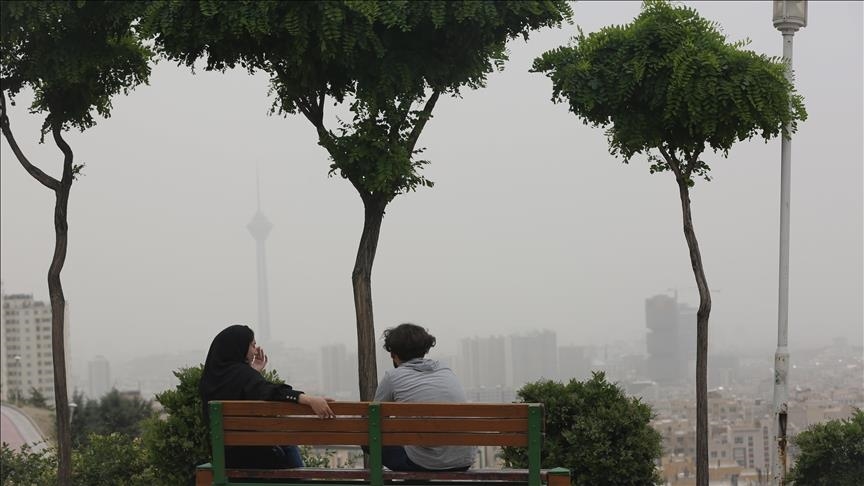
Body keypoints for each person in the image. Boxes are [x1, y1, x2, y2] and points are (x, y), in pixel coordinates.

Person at [199, 324, 334, 468]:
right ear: (239, 347)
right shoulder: (245, 375)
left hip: (225, 459)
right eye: (252, 345)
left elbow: (241, 385)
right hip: (258, 457)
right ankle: (301, 482)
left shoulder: (208, 379)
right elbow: (270, 391)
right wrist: (308, 399)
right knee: (288, 445)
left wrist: (253, 372)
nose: (255, 350)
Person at [373, 323, 476, 471]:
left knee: (370, 437)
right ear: (425, 349)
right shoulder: (444, 369)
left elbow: (375, 419)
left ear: (393, 354)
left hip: (422, 463)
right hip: (463, 460)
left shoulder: (392, 377)